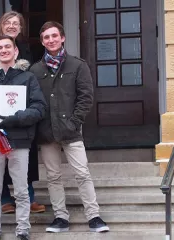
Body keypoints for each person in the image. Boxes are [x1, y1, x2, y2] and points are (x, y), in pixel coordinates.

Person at [29, 21, 110, 233]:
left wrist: (74, 121)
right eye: (46, 37)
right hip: (47, 132)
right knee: (53, 177)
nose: (51, 40)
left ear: (62, 38)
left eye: (54, 36)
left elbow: (86, 97)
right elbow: (32, 100)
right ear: (42, 41)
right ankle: (60, 218)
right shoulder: (35, 70)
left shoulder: (77, 65)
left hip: (71, 131)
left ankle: (94, 216)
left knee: (82, 173)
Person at [0, 35, 47, 240]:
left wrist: (17, 118)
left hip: (20, 141)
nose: (4, 50)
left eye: (8, 47)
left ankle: (23, 230)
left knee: (22, 191)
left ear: (15, 52)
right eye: (0, 48)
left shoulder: (28, 78)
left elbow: (39, 108)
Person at [0, 11, 46, 214]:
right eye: (8, 23)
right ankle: (5, 199)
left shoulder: (27, 48)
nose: (11, 26)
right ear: (1, 25)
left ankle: (28, 196)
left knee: (25, 161)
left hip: (22, 116)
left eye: (15, 23)